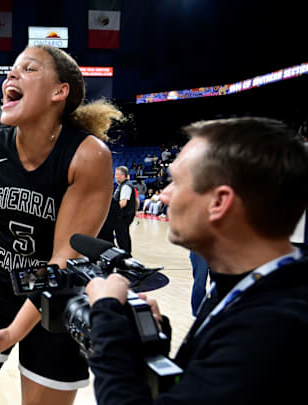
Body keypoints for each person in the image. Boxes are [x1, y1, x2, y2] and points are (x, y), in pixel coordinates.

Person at [0, 45, 121, 405]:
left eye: (29, 69)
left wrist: (14, 331)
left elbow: (64, 257)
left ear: (59, 92)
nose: (11, 76)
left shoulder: (88, 155)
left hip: (57, 294)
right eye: (11, 70)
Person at [85, 117, 308, 404]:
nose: (163, 196)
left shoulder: (274, 330)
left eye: (175, 182)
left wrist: (106, 320)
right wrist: (149, 345)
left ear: (219, 202)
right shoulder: (250, 287)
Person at [113, 166, 136, 254]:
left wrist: (113, 210)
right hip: (124, 215)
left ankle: (125, 254)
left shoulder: (126, 186)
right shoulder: (122, 185)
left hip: (123, 215)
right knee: (122, 235)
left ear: (123, 175)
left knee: (122, 236)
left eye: (117, 174)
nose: (115, 176)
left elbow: (123, 203)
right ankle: (124, 253)